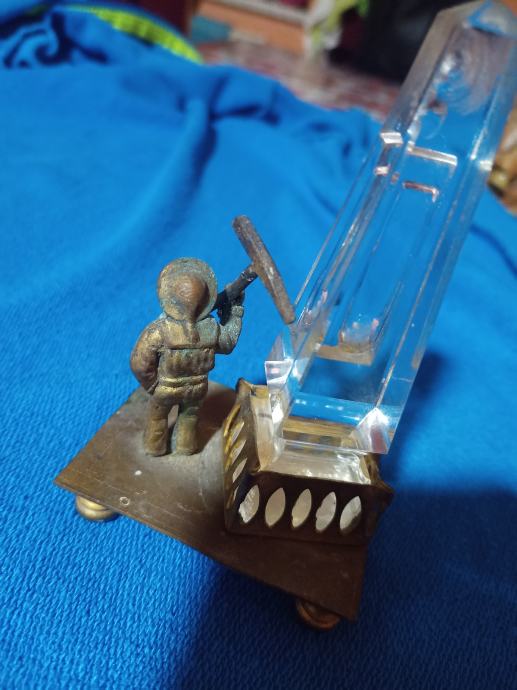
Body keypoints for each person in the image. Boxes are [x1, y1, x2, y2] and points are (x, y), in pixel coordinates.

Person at [130, 258, 244, 456]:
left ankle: (154, 448)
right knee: (189, 417)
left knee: (157, 418)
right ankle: (185, 447)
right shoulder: (211, 328)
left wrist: (152, 385)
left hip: (165, 388)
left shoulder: (159, 331)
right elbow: (227, 344)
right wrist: (234, 313)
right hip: (197, 388)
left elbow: (139, 363)